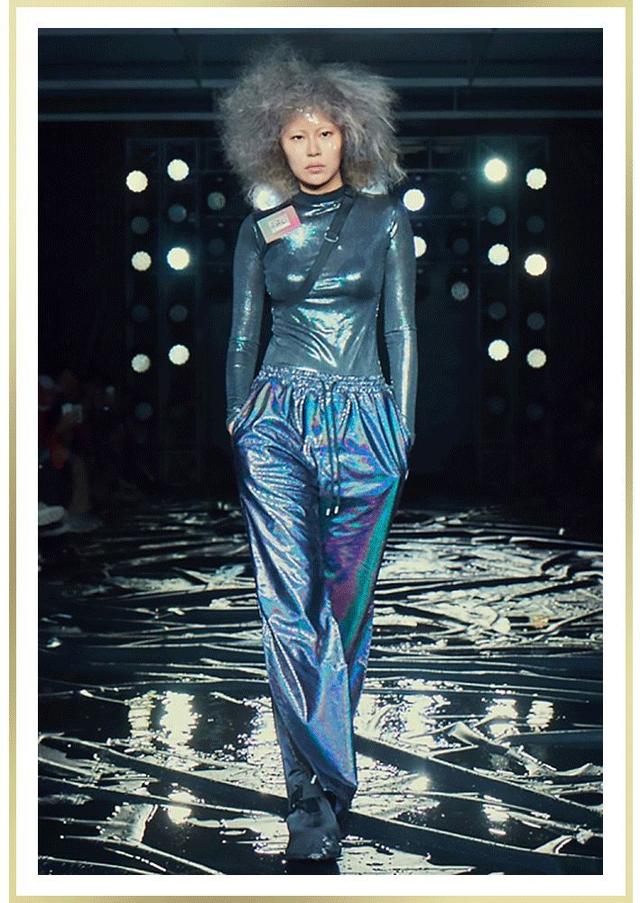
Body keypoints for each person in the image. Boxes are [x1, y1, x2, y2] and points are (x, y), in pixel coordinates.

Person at [218, 42, 417, 862]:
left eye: (324, 133)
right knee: (289, 608)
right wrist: (239, 418)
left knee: (345, 614)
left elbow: (402, 328)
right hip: (276, 420)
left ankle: (324, 788)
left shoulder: (388, 220)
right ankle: (312, 795)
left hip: (367, 418)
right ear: (274, 141)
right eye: (296, 135)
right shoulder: (262, 227)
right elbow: (241, 335)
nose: (311, 148)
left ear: (349, 136)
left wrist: (403, 429)